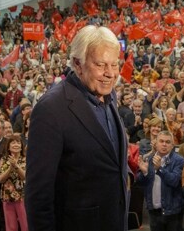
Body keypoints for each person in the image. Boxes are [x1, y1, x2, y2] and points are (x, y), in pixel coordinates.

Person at [25, 26, 129, 231]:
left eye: (114, 64)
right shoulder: (51, 109)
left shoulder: (109, 95)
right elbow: (38, 195)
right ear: (77, 64)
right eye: (100, 65)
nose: (110, 74)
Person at [136, 131, 184, 231]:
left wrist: (160, 169)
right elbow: (141, 183)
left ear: (172, 145)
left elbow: (174, 181)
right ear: (156, 143)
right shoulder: (149, 159)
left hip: (172, 212)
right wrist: (144, 173)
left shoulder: (179, 160)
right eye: (161, 141)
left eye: (167, 142)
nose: (164, 144)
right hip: (153, 211)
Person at [0, 134, 28, 231]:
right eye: (13, 142)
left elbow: (25, 177)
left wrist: (16, 166)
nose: (16, 145)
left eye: (18, 143)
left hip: (22, 196)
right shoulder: (4, 160)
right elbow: (1, 179)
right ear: (8, 146)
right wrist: (10, 168)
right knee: (11, 227)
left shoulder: (25, 159)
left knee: (26, 226)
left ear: (21, 146)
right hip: (7, 196)